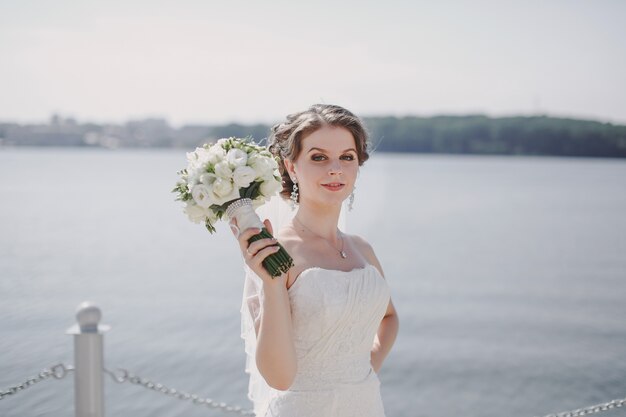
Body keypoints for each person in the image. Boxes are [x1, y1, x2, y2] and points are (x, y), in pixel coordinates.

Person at [230, 104, 399, 417]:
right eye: (319, 157)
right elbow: (279, 378)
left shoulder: (363, 249)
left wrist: (363, 371)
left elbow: (389, 318)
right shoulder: (275, 254)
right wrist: (271, 284)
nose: (335, 169)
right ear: (292, 167)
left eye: (347, 157)